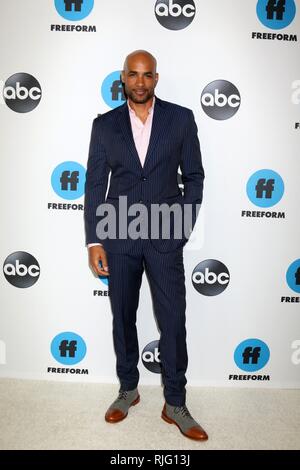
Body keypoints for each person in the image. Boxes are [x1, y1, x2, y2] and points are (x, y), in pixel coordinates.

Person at [84, 50, 207, 441]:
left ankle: (175, 402)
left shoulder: (180, 118)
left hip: (163, 236)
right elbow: (94, 186)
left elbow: (195, 177)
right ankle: (128, 389)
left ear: (157, 78)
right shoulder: (104, 125)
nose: (140, 82)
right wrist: (93, 240)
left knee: (172, 319)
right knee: (123, 316)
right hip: (117, 234)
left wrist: (179, 228)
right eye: (133, 75)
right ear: (123, 77)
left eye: (147, 75)